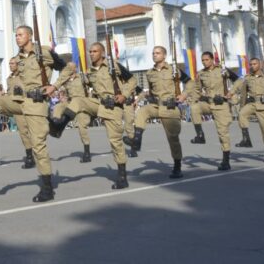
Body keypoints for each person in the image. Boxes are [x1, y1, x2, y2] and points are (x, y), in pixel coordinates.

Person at [0, 26, 69, 202]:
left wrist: (54, 86)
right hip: (20, 101)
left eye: (20, 35)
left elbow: (68, 68)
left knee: (38, 146)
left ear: (30, 36)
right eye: (16, 35)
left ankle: (47, 188)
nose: (17, 38)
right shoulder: (18, 58)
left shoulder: (44, 52)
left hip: (36, 104)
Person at [126, 46, 190, 179]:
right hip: (155, 105)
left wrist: (183, 95)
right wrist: (139, 99)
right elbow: (150, 91)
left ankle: (177, 166)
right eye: (153, 53)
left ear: (164, 56)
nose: (154, 55)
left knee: (173, 139)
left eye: (157, 53)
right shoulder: (150, 73)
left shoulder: (174, 70)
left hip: (170, 108)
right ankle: (136, 141)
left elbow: (190, 83)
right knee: (143, 112)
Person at [84, 42, 139, 189]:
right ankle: (61, 122)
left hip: (114, 106)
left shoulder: (113, 66)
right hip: (100, 106)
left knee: (115, 141)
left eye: (95, 51)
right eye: (90, 51)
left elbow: (133, 80)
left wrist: (124, 95)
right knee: (78, 103)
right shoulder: (89, 72)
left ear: (102, 53)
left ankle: (122, 177)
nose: (91, 54)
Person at [229, 57, 264, 164]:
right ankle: (246, 139)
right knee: (242, 114)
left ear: (260, 64)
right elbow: (239, 86)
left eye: (255, 64)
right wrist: (232, 94)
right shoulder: (247, 77)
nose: (252, 66)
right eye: (251, 64)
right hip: (252, 104)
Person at [196, 52, 236, 170]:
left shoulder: (223, 70)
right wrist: (200, 95)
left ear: (213, 60)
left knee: (223, 133)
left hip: (221, 104)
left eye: (207, 60)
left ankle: (226, 160)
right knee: (194, 108)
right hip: (208, 103)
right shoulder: (201, 74)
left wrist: (231, 93)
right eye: (203, 60)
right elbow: (196, 89)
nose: (204, 62)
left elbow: (239, 81)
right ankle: (199, 134)